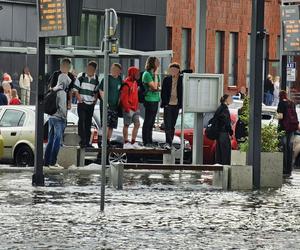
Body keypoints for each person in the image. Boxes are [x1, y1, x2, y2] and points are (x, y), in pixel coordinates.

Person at [44, 73, 71, 169]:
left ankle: (46, 162)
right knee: (57, 140)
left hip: (51, 117)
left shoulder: (53, 89)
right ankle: (53, 162)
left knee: (50, 140)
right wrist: (65, 118)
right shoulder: (62, 92)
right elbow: (63, 109)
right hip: (59, 119)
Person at [74, 61, 100, 148]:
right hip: (82, 103)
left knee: (88, 123)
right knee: (82, 121)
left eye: (91, 69)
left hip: (90, 104)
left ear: (94, 70)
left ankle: (88, 142)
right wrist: (79, 98)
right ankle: (82, 141)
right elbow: (75, 89)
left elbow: (96, 91)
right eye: (88, 68)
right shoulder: (81, 76)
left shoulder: (96, 78)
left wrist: (95, 100)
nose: (89, 70)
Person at [99, 63, 123, 146]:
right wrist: (105, 101)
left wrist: (119, 102)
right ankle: (104, 141)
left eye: (115, 69)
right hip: (107, 106)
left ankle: (108, 140)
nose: (113, 71)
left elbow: (121, 91)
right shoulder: (107, 78)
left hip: (115, 106)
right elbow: (101, 90)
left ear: (119, 71)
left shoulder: (120, 79)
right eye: (112, 69)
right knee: (106, 124)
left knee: (112, 125)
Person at [161, 62, 183, 149]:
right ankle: (168, 143)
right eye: (171, 70)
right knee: (168, 124)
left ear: (178, 70)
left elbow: (190, 72)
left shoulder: (182, 79)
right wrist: (165, 103)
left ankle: (170, 141)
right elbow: (163, 92)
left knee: (173, 125)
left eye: (175, 69)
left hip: (176, 105)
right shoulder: (167, 79)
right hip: (168, 105)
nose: (173, 71)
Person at [277, 90, 299, 177]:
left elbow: (281, 116)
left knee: (283, 148)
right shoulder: (291, 103)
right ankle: (289, 169)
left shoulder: (281, 103)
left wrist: (276, 116)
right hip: (291, 128)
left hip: (283, 128)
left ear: (279, 96)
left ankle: (284, 169)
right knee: (290, 148)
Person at [120, 66, 142, 149]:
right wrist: (127, 109)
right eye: (136, 73)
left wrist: (137, 107)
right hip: (128, 108)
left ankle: (133, 141)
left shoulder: (135, 83)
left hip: (135, 108)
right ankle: (126, 142)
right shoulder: (126, 84)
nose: (138, 75)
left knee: (137, 124)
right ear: (132, 73)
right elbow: (123, 98)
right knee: (126, 124)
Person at [142, 57, 161, 147]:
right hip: (149, 100)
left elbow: (158, 87)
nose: (158, 64)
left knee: (152, 122)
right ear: (153, 63)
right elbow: (154, 87)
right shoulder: (147, 74)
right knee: (148, 121)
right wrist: (156, 76)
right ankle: (146, 140)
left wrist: (156, 86)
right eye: (157, 62)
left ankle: (150, 139)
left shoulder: (155, 74)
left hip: (156, 99)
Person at [215, 94, 233, 165]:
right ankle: (225, 171)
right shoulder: (225, 109)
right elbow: (227, 122)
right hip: (224, 134)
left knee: (219, 154)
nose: (231, 100)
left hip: (219, 134)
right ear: (226, 100)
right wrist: (231, 132)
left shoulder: (220, 108)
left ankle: (219, 170)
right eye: (230, 98)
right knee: (225, 154)